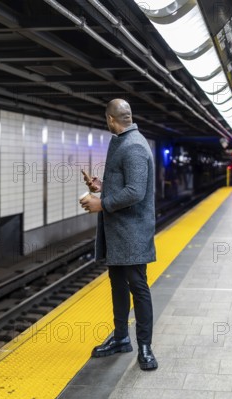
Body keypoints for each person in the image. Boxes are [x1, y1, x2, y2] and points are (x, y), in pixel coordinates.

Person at [79, 99, 157, 371]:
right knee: (117, 284)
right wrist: (103, 186)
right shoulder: (123, 141)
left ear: (111, 120)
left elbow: (136, 191)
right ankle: (122, 337)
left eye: (106, 119)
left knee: (138, 286)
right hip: (119, 232)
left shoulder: (133, 146)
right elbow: (125, 183)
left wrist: (102, 203)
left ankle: (145, 346)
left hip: (132, 233)